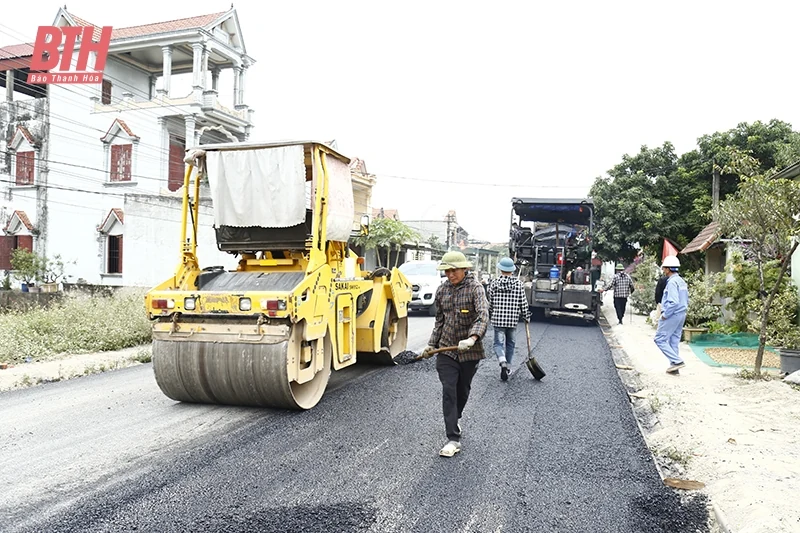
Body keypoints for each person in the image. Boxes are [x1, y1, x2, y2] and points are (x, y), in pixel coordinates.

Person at [419, 251, 489, 457]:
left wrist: (473, 338)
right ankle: (453, 438)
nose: (450, 275)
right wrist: (431, 346)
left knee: (462, 389)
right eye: (447, 271)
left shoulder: (475, 288)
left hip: (470, 351)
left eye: (454, 270)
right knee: (449, 389)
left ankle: (455, 416)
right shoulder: (442, 291)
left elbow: (482, 315)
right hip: (446, 350)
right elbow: (439, 322)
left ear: (464, 269)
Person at [487, 257, 531, 381]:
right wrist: (526, 316)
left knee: (498, 344)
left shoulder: (494, 283)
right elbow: (523, 303)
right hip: (512, 320)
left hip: (498, 319)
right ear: (512, 271)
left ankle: (502, 361)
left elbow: (491, 302)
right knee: (510, 344)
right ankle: (508, 367)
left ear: (500, 269)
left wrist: (490, 314)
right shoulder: (518, 284)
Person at [654, 255, 689, 374]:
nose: (663, 270)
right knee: (674, 340)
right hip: (681, 314)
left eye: (664, 268)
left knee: (659, 339)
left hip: (672, 314)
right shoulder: (681, 281)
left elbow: (673, 301)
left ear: (668, 269)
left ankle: (677, 361)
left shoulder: (672, 283)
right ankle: (674, 367)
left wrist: (665, 314)